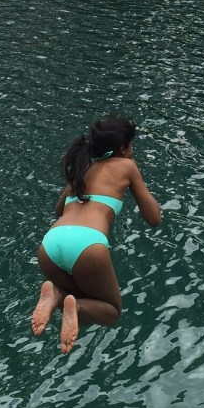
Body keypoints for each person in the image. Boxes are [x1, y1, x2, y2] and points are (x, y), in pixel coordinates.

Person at [31, 116, 161, 353]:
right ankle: (72, 305)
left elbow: (59, 210)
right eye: (131, 146)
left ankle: (56, 294)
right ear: (123, 148)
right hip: (88, 243)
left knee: (78, 298)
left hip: (51, 241)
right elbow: (153, 218)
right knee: (110, 312)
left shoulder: (84, 165)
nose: (132, 151)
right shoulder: (127, 165)